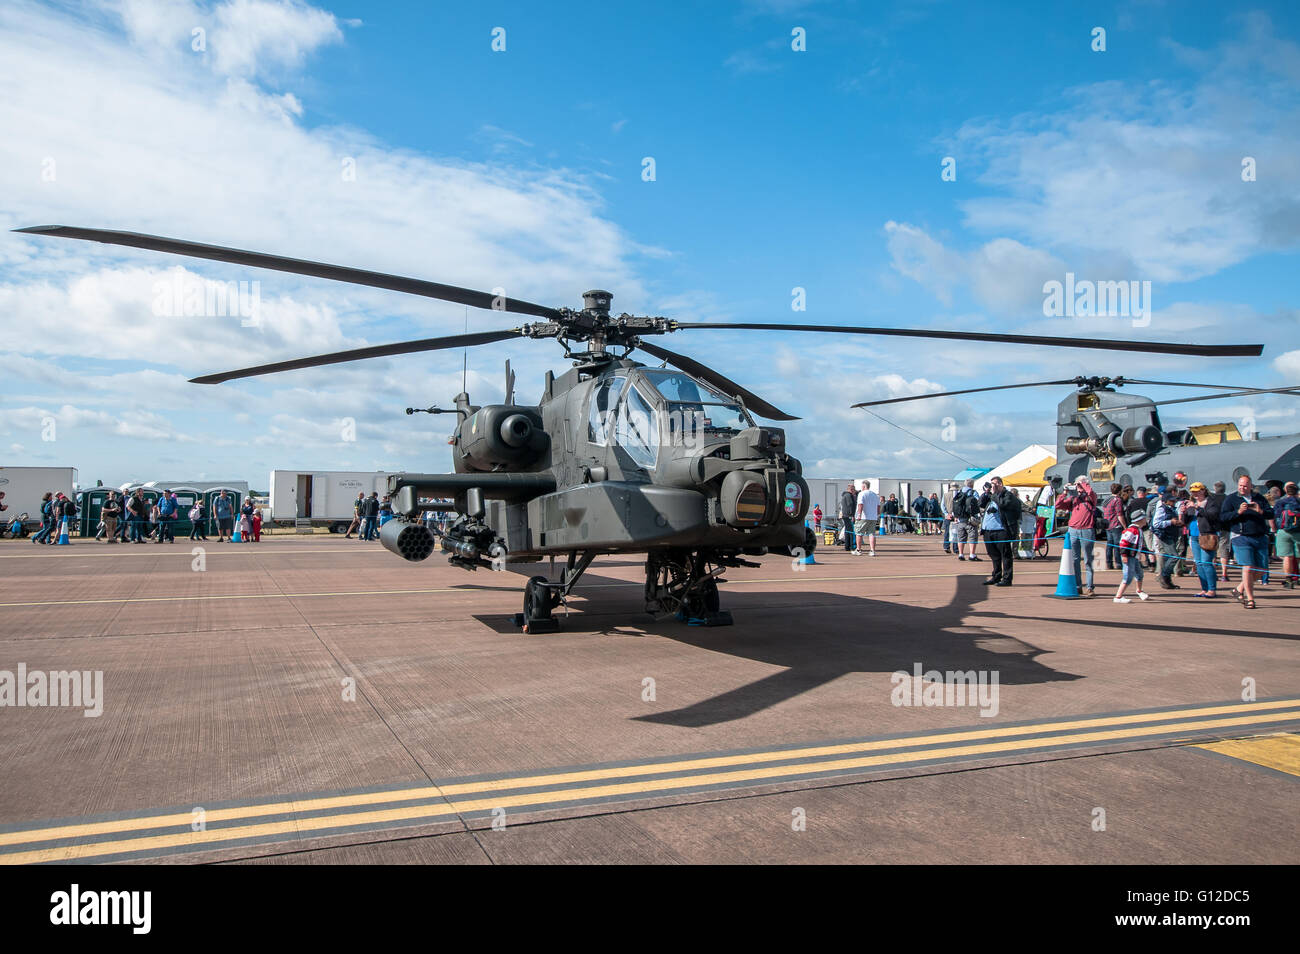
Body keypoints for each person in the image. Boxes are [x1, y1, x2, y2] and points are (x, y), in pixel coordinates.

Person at [1220, 475, 1272, 610]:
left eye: (1245, 486)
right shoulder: (1231, 499)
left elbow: (1271, 513)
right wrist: (1238, 512)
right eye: (1240, 485)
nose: (1242, 488)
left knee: (1262, 570)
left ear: (1250, 486)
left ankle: (1239, 588)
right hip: (1241, 536)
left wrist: (1259, 510)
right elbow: (1223, 516)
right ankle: (1250, 599)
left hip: (1259, 536)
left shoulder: (1259, 498)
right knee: (1248, 567)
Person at [1060, 477, 1099, 597]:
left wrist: (1082, 484)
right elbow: (1059, 505)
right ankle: (1078, 586)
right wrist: (1065, 492)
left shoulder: (1091, 498)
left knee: (1088, 559)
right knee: (1075, 560)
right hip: (1073, 530)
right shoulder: (1074, 499)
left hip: (1087, 529)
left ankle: (1090, 587)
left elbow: (1091, 492)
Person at [978, 476, 1021, 586]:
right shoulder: (992, 496)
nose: (993, 486)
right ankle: (996, 576)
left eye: (995, 483)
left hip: (1002, 530)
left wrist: (994, 494)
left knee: (1005, 555)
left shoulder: (1008, 495)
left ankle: (1007, 579)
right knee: (993, 554)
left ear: (1000, 484)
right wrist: (986, 492)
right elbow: (980, 504)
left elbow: (1003, 504)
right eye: (991, 483)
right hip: (988, 530)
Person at [1184, 482, 1219, 598]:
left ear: (1203, 490)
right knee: (1199, 563)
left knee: (1206, 563)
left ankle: (1212, 589)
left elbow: (1212, 516)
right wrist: (1184, 511)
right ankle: (1204, 589)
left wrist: (1197, 507)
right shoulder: (1192, 504)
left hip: (1207, 535)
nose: (1195, 494)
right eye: (1193, 492)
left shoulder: (1211, 503)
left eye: (1197, 491)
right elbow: (1186, 520)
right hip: (1194, 536)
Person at [1113, 512, 1151, 604]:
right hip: (1129, 557)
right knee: (1128, 577)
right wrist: (1124, 556)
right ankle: (1118, 596)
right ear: (1140, 520)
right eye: (1144, 518)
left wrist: (1147, 551)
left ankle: (1139, 591)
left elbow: (1138, 544)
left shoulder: (1139, 530)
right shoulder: (1131, 530)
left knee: (1139, 574)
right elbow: (1123, 543)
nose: (1146, 520)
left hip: (1135, 557)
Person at [1151, 491, 1184, 589]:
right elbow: (1156, 524)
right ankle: (1163, 575)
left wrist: (1177, 523)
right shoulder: (1161, 509)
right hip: (1165, 536)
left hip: (1171, 535)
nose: (1173, 502)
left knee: (1168, 557)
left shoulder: (1171, 509)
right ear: (1165, 501)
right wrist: (1171, 522)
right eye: (1171, 500)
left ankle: (1167, 581)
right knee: (1174, 556)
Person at [1273, 481, 1300, 588]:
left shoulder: (1281, 502)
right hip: (1298, 532)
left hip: (1284, 532)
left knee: (1287, 557)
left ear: (1285, 491)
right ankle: (1297, 577)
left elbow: (1275, 515)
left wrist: (1275, 530)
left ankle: (1288, 580)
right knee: (1298, 557)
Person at [1209, 480, 1232, 583]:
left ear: (1215, 489)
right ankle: (1224, 574)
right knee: (1224, 550)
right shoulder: (1228, 499)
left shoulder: (1211, 499)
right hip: (1225, 526)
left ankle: (1213, 573)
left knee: (1212, 550)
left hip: (1213, 527)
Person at [952, 479, 981, 561]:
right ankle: (972, 554)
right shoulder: (973, 492)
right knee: (972, 537)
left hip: (960, 519)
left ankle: (961, 554)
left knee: (961, 538)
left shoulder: (959, 493)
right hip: (970, 519)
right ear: (972, 484)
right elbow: (978, 502)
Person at [1103, 483, 1127, 570]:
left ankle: (1109, 563)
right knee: (1117, 545)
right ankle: (1118, 563)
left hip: (1107, 524)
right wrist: (1125, 526)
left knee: (1109, 544)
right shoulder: (1117, 500)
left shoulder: (1107, 499)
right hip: (1115, 524)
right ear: (1119, 491)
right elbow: (1119, 514)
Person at [854, 479, 880, 557]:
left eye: (862, 486)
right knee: (871, 533)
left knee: (859, 533)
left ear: (864, 486)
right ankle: (872, 550)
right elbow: (878, 506)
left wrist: (859, 514)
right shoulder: (875, 495)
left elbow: (860, 505)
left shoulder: (862, 494)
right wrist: (877, 514)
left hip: (864, 516)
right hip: (873, 517)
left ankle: (858, 550)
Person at [838, 485, 857, 553]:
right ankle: (852, 546)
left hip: (845, 515)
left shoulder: (844, 495)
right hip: (849, 515)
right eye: (854, 490)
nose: (855, 491)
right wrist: (852, 515)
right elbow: (850, 505)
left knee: (847, 531)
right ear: (851, 490)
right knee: (851, 532)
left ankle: (847, 546)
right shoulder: (849, 496)